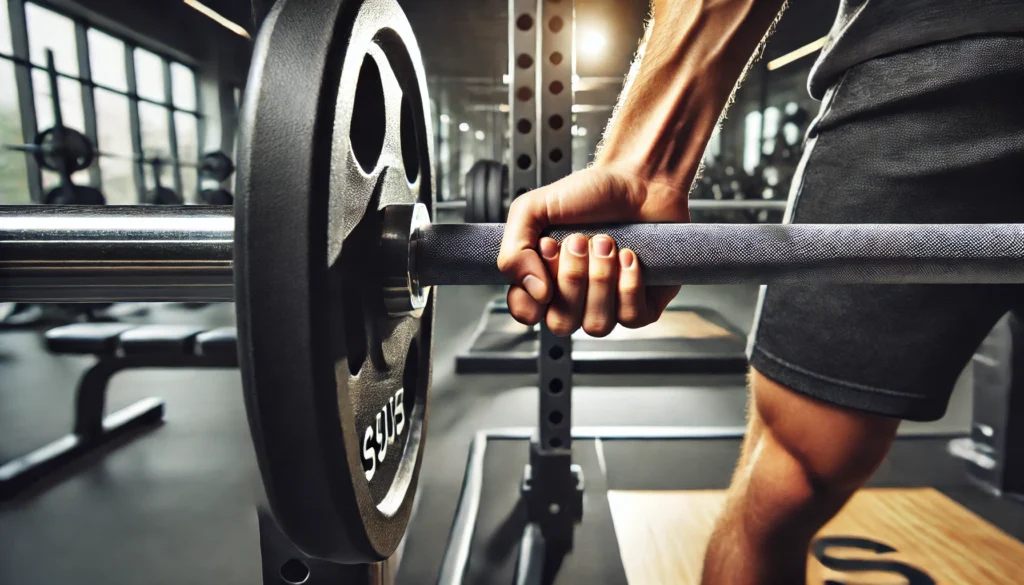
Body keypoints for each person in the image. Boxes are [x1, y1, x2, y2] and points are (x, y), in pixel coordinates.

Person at [496, 1, 1024, 583]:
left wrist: (645, 165)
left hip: (944, 68)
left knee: (789, 479)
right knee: (788, 479)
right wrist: (643, 169)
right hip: (942, 57)